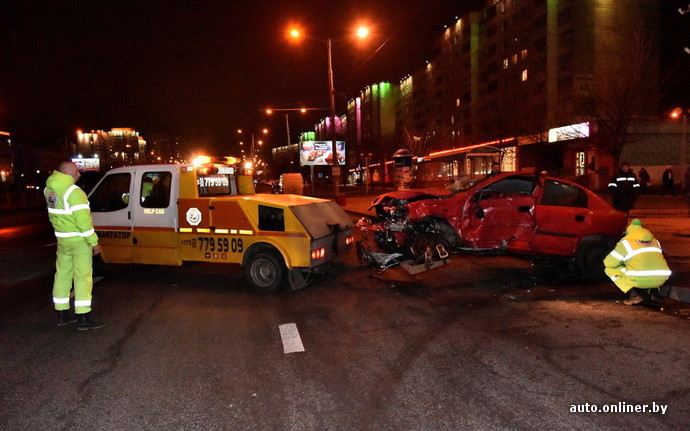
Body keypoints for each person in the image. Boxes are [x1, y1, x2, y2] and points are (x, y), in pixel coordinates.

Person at [44, 161, 106, 330]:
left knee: (62, 275)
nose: (79, 174)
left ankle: (62, 314)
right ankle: (83, 317)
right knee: (83, 278)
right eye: (77, 171)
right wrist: (94, 242)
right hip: (79, 241)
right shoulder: (75, 192)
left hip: (62, 240)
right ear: (67, 173)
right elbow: (83, 222)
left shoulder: (49, 190)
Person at [603, 219, 671, 305]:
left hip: (639, 278)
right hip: (661, 278)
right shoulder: (656, 241)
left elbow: (608, 262)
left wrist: (624, 262)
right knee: (651, 267)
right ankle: (654, 293)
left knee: (609, 269)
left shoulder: (626, 243)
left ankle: (634, 295)